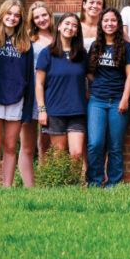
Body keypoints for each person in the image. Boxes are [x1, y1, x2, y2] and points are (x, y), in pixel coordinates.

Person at [0, 0, 35, 187]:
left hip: (17, 100)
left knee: (11, 146)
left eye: (16, 15)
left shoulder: (25, 44)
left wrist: (28, 109)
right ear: (2, 14)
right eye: (9, 13)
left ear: (21, 19)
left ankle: (7, 187)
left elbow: (29, 78)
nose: (12, 18)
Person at [86, 8, 130, 187]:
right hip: (97, 101)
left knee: (115, 145)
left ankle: (113, 183)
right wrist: (99, 85)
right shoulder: (95, 46)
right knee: (95, 143)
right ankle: (94, 181)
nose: (109, 24)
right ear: (101, 24)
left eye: (113, 21)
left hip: (118, 100)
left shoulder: (126, 47)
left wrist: (124, 99)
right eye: (106, 20)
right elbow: (89, 73)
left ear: (118, 24)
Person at [35, 13, 88, 161]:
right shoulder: (47, 53)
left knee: (76, 153)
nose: (70, 28)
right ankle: (62, 185)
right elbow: (39, 83)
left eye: (74, 25)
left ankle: (73, 183)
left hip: (77, 110)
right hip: (55, 110)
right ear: (59, 26)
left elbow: (92, 79)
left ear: (77, 30)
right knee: (59, 154)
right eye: (67, 23)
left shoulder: (82, 54)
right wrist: (41, 110)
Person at [20, 1, 54, 179]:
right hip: (31, 94)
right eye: (37, 17)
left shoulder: (58, 38)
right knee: (27, 144)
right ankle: (29, 184)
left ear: (50, 15)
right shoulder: (27, 40)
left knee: (46, 141)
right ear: (32, 20)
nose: (41, 19)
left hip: (52, 93)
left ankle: (45, 178)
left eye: (44, 15)